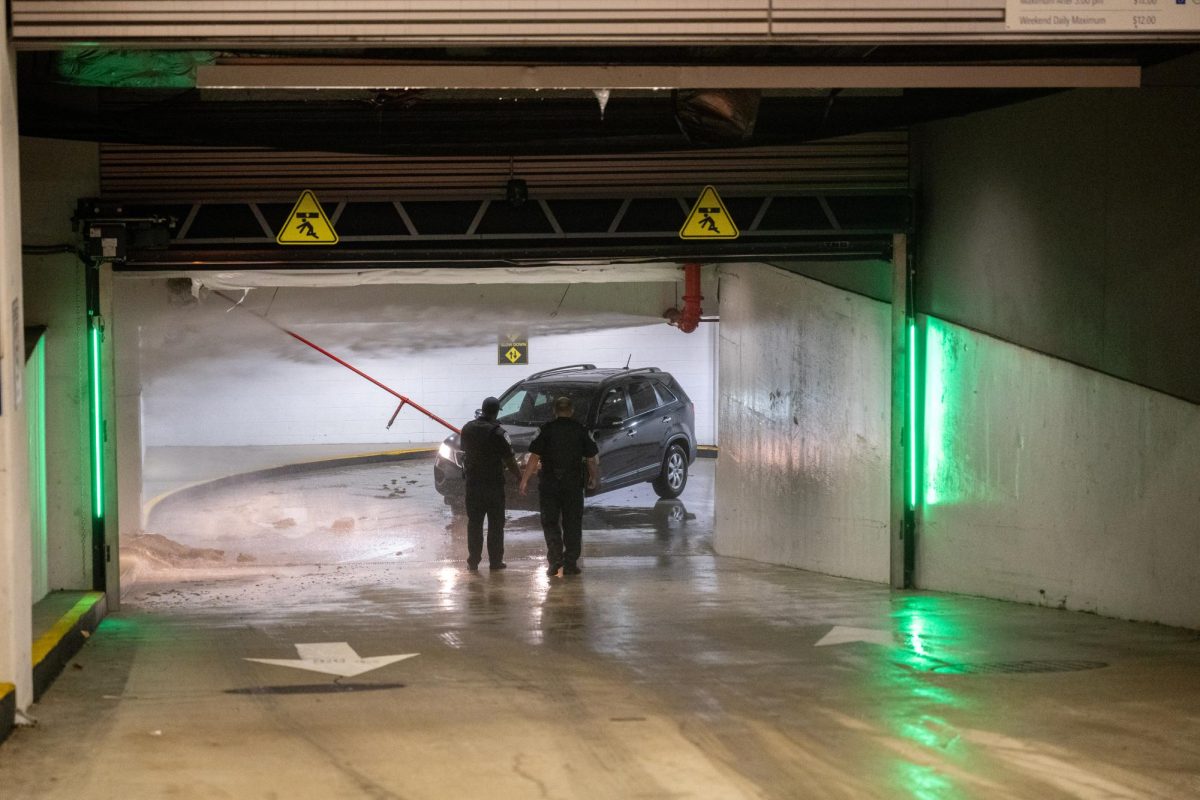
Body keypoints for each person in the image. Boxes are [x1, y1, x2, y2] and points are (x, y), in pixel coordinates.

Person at [519, 396, 599, 577]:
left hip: (549, 484)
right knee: (573, 523)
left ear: (554, 411)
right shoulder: (581, 430)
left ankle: (555, 561)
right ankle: (570, 563)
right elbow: (591, 458)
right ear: (571, 411)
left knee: (550, 522)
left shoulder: (545, 430)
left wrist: (525, 479)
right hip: (573, 485)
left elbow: (534, 457)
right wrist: (593, 477)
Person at [459, 396, 521, 571]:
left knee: (474, 523)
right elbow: (509, 460)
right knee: (495, 524)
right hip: (493, 485)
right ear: (496, 412)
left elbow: (464, 451)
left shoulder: (467, 428)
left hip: (473, 484)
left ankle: (473, 560)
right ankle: (495, 561)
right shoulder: (499, 433)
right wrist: (519, 476)